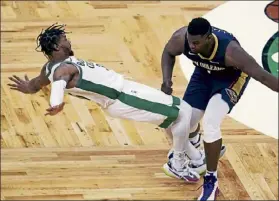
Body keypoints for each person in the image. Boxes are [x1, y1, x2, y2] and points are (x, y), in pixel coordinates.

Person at [8, 23, 207, 183]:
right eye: (65, 39)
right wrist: (56, 103)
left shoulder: (49, 68)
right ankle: (178, 164)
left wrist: (28, 87)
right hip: (123, 98)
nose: (69, 40)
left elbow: (35, 84)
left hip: (127, 91)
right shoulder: (63, 70)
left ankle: (197, 159)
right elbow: (58, 85)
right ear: (58, 47)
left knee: (173, 118)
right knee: (183, 111)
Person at [160, 17, 278, 200]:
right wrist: (166, 80)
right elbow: (168, 52)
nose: (192, 47)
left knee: (211, 123)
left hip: (229, 81)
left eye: (197, 43)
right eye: (191, 42)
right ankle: (196, 146)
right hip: (203, 76)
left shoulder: (232, 51)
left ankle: (211, 179)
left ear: (209, 37)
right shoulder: (181, 38)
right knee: (180, 120)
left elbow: (262, 76)